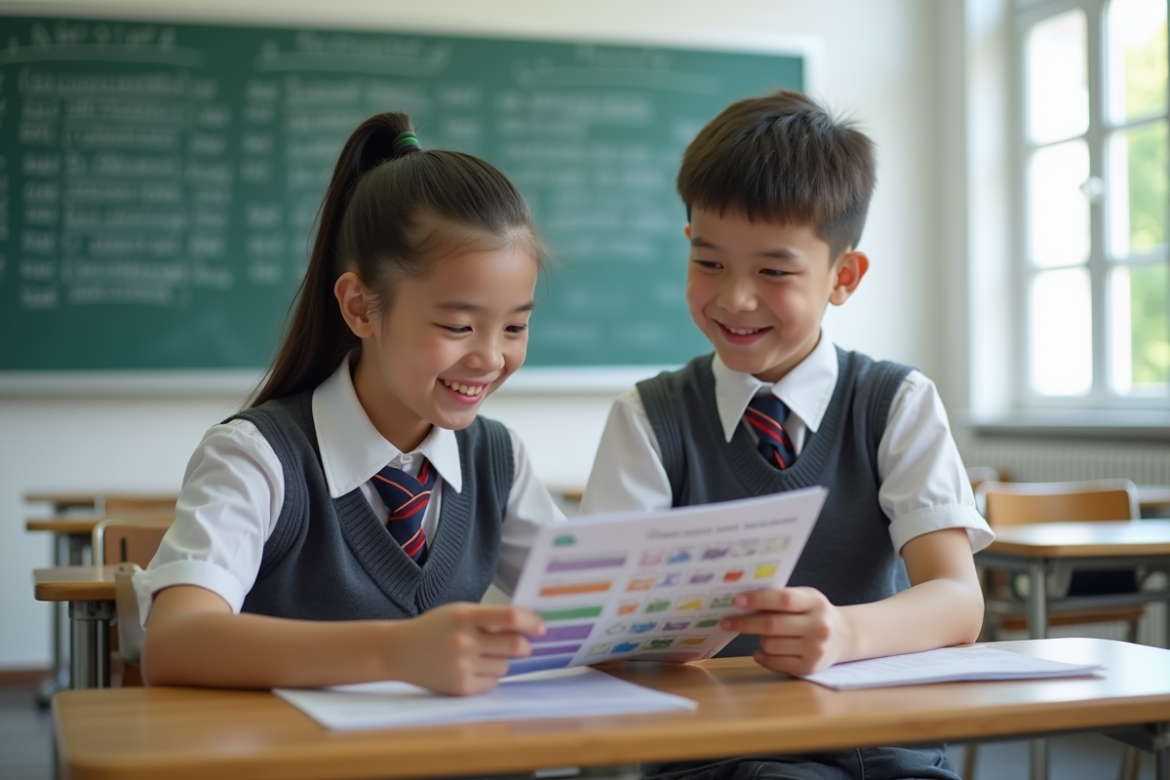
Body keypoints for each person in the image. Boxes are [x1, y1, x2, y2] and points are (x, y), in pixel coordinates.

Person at [580, 90, 993, 780]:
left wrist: (846, 632)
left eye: (773, 271)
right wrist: (677, 632)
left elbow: (958, 601)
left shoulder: (896, 404)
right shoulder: (649, 419)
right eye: (709, 263)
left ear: (844, 277)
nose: (735, 298)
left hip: (883, 749)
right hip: (714, 756)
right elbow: (601, 634)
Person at [135, 112, 561, 696]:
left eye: (514, 328)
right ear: (360, 306)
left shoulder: (497, 457)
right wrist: (398, 651)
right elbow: (174, 643)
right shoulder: (256, 457)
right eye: (458, 326)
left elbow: (591, 607)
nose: (490, 358)